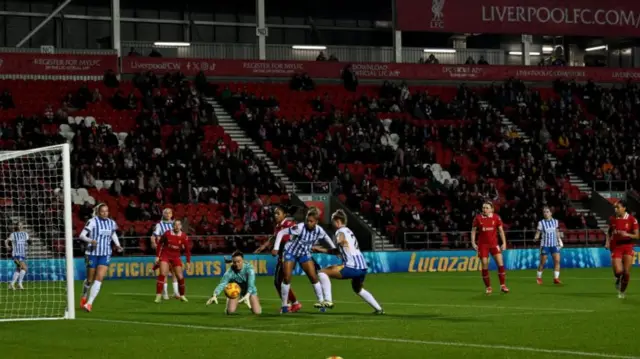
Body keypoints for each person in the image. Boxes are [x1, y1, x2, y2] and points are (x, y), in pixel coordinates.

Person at [316, 210, 384, 314]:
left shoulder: (340, 231)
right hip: (362, 267)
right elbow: (338, 251)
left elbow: (341, 240)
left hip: (352, 267)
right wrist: (319, 249)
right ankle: (379, 309)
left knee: (322, 272)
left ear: (338, 221)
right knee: (358, 289)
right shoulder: (349, 231)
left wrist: (340, 241)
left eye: (333, 221)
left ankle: (328, 300)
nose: (332, 224)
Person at [272, 207, 336, 313]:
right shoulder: (300, 227)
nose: (308, 223)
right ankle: (284, 305)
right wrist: (276, 247)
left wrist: (334, 249)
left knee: (313, 277)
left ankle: (321, 303)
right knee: (287, 278)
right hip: (290, 252)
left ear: (316, 222)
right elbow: (281, 232)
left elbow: (326, 238)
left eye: (311, 221)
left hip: (304, 254)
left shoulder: (319, 230)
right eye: (307, 220)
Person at [254, 205, 301, 312]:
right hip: (282, 256)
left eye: (278, 213)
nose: (275, 215)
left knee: (278, 281)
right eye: (275, 213)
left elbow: (287, 238)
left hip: (288, 256)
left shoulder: (288, 224)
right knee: (281, 280)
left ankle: (288, 304)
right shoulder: (278, 226)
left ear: (284, 214)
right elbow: (274, 237)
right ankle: (294, 303)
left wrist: (275, 247)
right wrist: (264, 246)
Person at [79, 203, 122, 312]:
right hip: (92, 253)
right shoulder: (92, 222)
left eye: (106, 211)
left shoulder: (112, 223)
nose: (105, 213)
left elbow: (113, 234)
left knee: (99, 278)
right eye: (102, 211)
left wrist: (117, 245)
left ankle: (89, 303)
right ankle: (84, 295)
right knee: (89, 279)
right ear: (98, 212)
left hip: (105, 253)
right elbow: (82, 235)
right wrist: (91, 240)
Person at [470, 202, 509, 295]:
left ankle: (503, 285)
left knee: (500, 263)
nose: (484, 209)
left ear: (492, 209)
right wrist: (473, 242)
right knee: (484, 264)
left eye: (487, 208)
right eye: (483, 208)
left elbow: (500, 230)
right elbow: (473, 231)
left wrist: (504, 243)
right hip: (483, 245)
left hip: (494, 244)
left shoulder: (496, 217)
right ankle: (488, 287)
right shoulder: (478, 218)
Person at [206, 251, 262, 315]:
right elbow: (222, 284)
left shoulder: (249, 269)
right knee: (230, 311)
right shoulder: (229, 272)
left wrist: (247, 295)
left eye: (239, 261)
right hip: (236, 291)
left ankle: (253, 301)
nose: (237, 264)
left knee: (257, 312)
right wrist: (215, 294)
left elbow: (251, 284)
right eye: (234, 262)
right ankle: (232, 303)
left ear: (243, 260)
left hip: (250, 290)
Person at [606, 200, 639, 299]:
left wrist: (627, 234)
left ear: (624, 208)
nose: (616, 209)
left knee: (626, 272)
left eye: (618, 207)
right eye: (615, 208)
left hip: (628, 246)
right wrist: (607, 242)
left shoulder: (632, 219)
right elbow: (609, 232)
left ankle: (622, 292)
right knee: (618, 271)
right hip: (616, 246)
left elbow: (637, 236)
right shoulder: (612, 219)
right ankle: (617, 278)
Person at [154, 219, 191, 303]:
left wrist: (188, 262)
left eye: (178, 225)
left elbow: (187, 250)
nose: (177, 226)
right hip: (165, 255)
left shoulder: (184, 236)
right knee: (163, 273)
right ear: (172, 226)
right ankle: (158, 296)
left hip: (176, 257)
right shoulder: (167, 233)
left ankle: (182, 296)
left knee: (180, 277)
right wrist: (157, 256)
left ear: (181, 226)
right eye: (175, 225)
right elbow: (160, 243)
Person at [151, 208, 180, 300]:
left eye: (169, 213)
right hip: (164, 251)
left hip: (174, 251)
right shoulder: (159, 225)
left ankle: (176, 292)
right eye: (166, 213)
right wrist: (154, 243)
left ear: (172, 214)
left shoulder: (175, 224)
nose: (168, 214)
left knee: (175, 272)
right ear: (163, 214)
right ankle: (165, 293)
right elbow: (153, 236)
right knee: (165, 272)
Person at [534, 207, 563, 285]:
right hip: (545, 245)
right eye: (544, 212)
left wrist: (559, 240)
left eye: (547, 212)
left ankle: (556, 278)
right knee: (542, 262)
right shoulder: (541, 222)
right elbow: (538, 232)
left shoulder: (555, 221)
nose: (545, 213)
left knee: (557, 261)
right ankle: (539, 278)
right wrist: (536, 237)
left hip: (554, 244)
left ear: (551, 213)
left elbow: (557, 231)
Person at [5, 223, 29, 290]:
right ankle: (19, 283)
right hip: (16, 254)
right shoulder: (13, 234)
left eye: (22, 225)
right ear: (16, 226)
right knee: (24, 268)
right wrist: (7, 246)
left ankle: (11, 284)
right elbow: (6, 240)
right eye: (19, 225)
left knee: (19, 268)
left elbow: (28, 241)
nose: (21, 226)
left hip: (23, 254)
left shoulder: (25, 234)